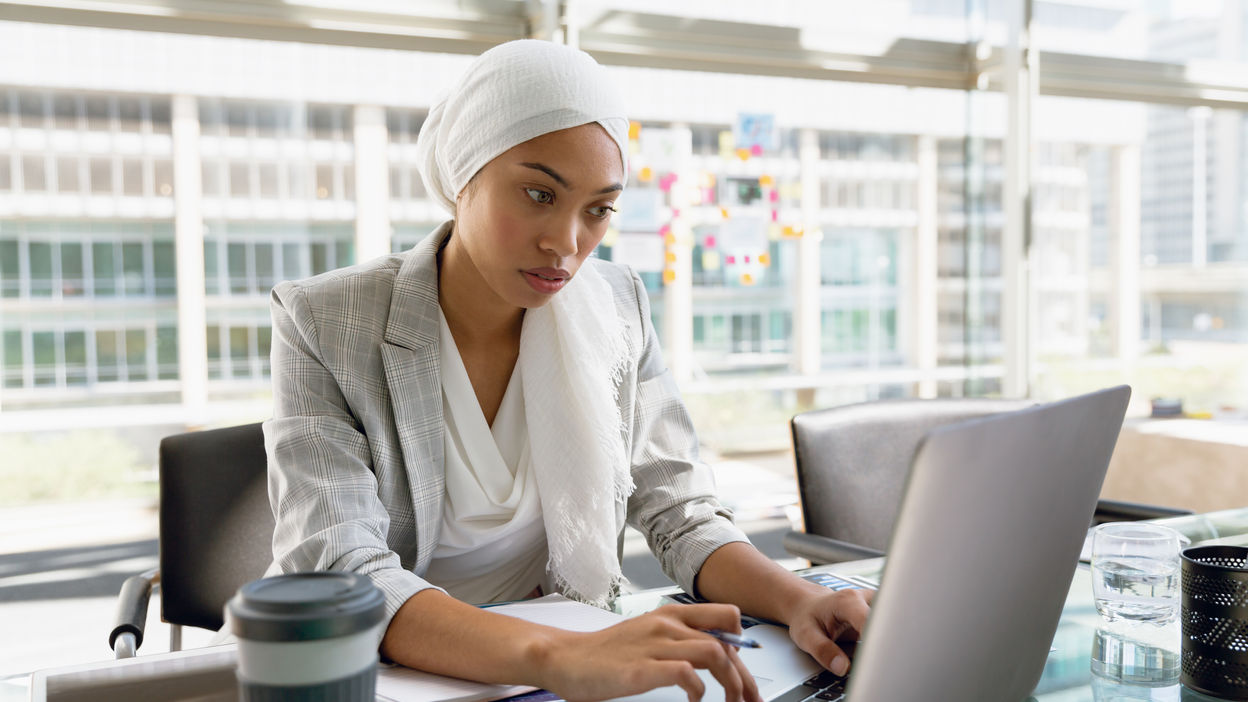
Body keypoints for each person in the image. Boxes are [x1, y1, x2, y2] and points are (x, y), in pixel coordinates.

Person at [264, 39, 872, 702]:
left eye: (598, 208)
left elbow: (678, 509)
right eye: (537, 194)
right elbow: (346, 574)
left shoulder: (616, 305)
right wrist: (561, 656)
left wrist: (799, 598)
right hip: (389, 674)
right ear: (462, 177)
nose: (567, 243)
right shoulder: (325, 320)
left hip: (550, 669)